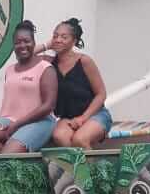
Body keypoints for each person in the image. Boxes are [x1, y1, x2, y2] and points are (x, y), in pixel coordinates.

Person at [0, 20, 57, 153]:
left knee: (8, 154)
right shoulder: (10, 70)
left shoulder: (45, 68)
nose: (22, 45)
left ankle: (9, 156)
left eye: (27, 41)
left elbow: (48, 106)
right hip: (9, 120)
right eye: (18, 42)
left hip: (39, 122)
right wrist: (13, 124)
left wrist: (18, 125)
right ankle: (18, 160)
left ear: (34, 43)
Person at [39, 18, 112, 149]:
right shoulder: (49, 63)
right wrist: (47, 45)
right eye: (55, 36)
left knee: (80, 139)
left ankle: (89, 163)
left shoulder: (84, 61)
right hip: (68, 118)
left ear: (74, 41)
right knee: (59, 137)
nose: (58, 39)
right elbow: (25, 55)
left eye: (64, 37)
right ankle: (80, 163)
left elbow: (101, 94)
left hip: (95, 115)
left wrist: (83, 118)